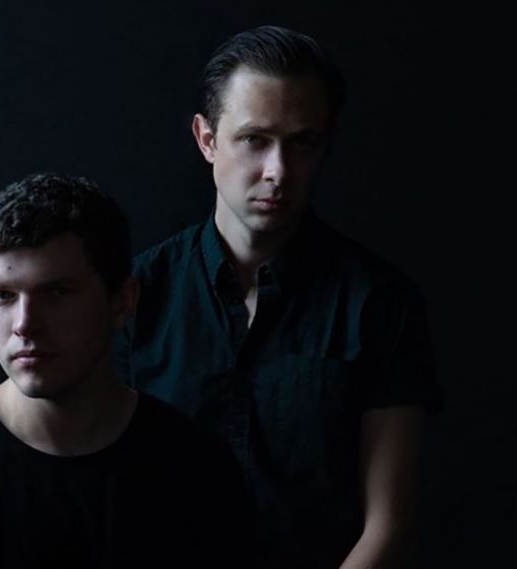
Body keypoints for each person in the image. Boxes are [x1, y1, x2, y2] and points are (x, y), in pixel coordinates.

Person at [116, 25, 440, 567]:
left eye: (302, 143)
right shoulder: (133, 295)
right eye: (255, 140)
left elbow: (390, 526)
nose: (278, 171)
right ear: (206, 139)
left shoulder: (380, 302)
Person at [0, 173, 248, 568]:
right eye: (3, 296)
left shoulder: (197, 469)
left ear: (122, 302)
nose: (24, 324)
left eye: (57, 293)